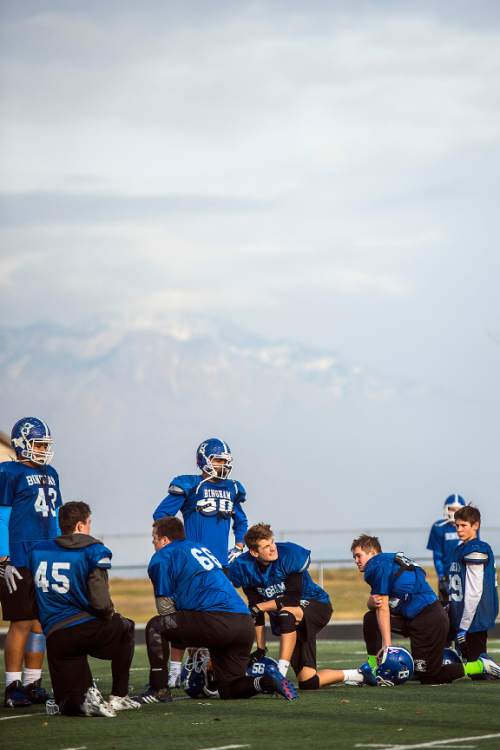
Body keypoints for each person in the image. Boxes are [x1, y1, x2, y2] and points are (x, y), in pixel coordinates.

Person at [136, 516, 298, 703]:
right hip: (244, 623)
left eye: (154, 539)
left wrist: (183, 637)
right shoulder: (199, 548)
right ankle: (264, 683)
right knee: (229, 688)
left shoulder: (164, 555)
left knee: (156, 626)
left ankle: (158, 688)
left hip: (216, 621)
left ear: (164, 540)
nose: (153, 544)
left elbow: (166, 609)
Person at [29, 501, 139, 717]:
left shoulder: (38, 550)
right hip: (90, 629)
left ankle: (85, 699)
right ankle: (119, 696)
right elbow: (100, 602)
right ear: (80, 526)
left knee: (66, 704)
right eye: (88, 523)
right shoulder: (93, 550)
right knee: (126, 626)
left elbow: (32, 597)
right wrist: (108, 617)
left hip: (57, 635)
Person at [153, 438, 248, 686]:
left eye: (224, 461)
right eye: (217, 460)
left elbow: (242, 522)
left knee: (212, 619)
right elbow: (161, 515)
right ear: (204, 460)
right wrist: (177, 543)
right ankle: (175, 671)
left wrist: (238, 546)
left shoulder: (233, 488)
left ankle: (204, 669)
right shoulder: (190, 485)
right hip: (191, 566)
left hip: (218, 566)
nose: (222, 465)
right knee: (183, 615)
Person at [228, 523, 364, 690]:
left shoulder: (289, 554)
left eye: (272, 542)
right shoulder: (244, 567)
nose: (272, 549)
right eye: (266, 546)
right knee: (308, 682)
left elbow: (292, 598)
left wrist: (261, 607)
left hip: (315, 603)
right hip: (290, 621)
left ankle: (280, 672)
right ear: (254, 552)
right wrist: (261, 648)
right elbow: (256, 611)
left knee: (286, 614)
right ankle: (359, 674)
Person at [351, 533, 500, 684]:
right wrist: (372, 602)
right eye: (354, 558)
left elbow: (383, 607)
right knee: (370, 618)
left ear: (372, 553)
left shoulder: (376, 565)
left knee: (429, 677)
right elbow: (378, 603)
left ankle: (480, 665)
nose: (356, 561)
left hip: (428, 620)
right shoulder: (390, 561)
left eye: (359, 556)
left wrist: (387, 646)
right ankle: (372, 667)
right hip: (416, 616)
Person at [0, 417, 63, 708]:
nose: (43, 450)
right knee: (21, 621)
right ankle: (12, 685)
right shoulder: (7, 472)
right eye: (38, 444)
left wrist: (61, 548)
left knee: (41, 623)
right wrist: (4, 555)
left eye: (45, 445)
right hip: (18, 558)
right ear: (22, 443)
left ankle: (32, 682)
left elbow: (57, 515)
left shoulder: (52, 473)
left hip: (45, 557)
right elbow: (2, 515)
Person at [448, 506, 499, 667]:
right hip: (461, 613)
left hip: (474, 617)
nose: (459, 529)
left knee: (477, 669)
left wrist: (464, 626)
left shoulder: (476, 548)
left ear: (475, 525)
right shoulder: (460, 549)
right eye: (457, 525)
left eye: (464, 525)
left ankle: (492, 669)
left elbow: (474, 591)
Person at [427, 494, 466, 604]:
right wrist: (441, 577)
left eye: (458, 509)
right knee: (446, 610)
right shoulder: (439, 527)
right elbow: (437, 555)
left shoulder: (470, 526)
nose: (454, 512)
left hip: (466, 573)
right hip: (447, 575)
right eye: (452, 509)